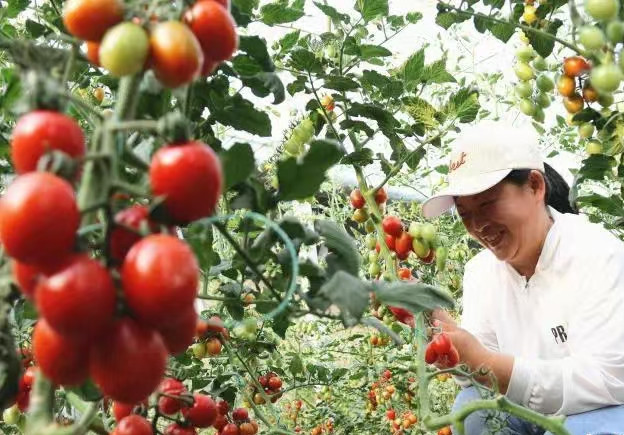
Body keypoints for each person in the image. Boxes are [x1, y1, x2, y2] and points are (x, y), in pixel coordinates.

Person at [421, 120, 624, 435]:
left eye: (487, 203)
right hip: (525, 408)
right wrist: (454, 347)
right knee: (472, 410)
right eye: (464, 213)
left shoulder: (598, 252)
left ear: (535, 186)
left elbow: (608, 380)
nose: (478, 225)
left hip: (604, 407)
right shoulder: (481, 273)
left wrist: (490, 364)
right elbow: (477, 376)